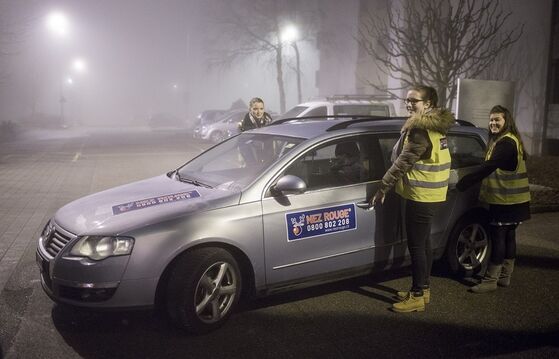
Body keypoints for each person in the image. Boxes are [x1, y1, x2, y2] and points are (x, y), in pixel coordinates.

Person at [369, 85, 455, 313]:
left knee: (416, 246)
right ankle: (423, 289)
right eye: (407, 100)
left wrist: (383, 186)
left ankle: (417, 295)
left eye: (414, 101)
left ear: (427, 104)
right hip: (432, 194)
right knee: (424, 242)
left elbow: (403, 162)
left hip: (421, 196)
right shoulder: (437, 127)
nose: (408, 104)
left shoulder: (419, 130)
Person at [456, 105, 530, 293]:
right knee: (509, 237)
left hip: (504, 200)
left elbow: (489, 166)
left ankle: (490, 280)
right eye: (491, 120)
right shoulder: (511, 140)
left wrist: (465, 181)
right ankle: (504, 277)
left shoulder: (505, 143)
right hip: (515, 199)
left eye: (497, 120)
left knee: (498, 238)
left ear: (506, 121)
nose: (493, 123)